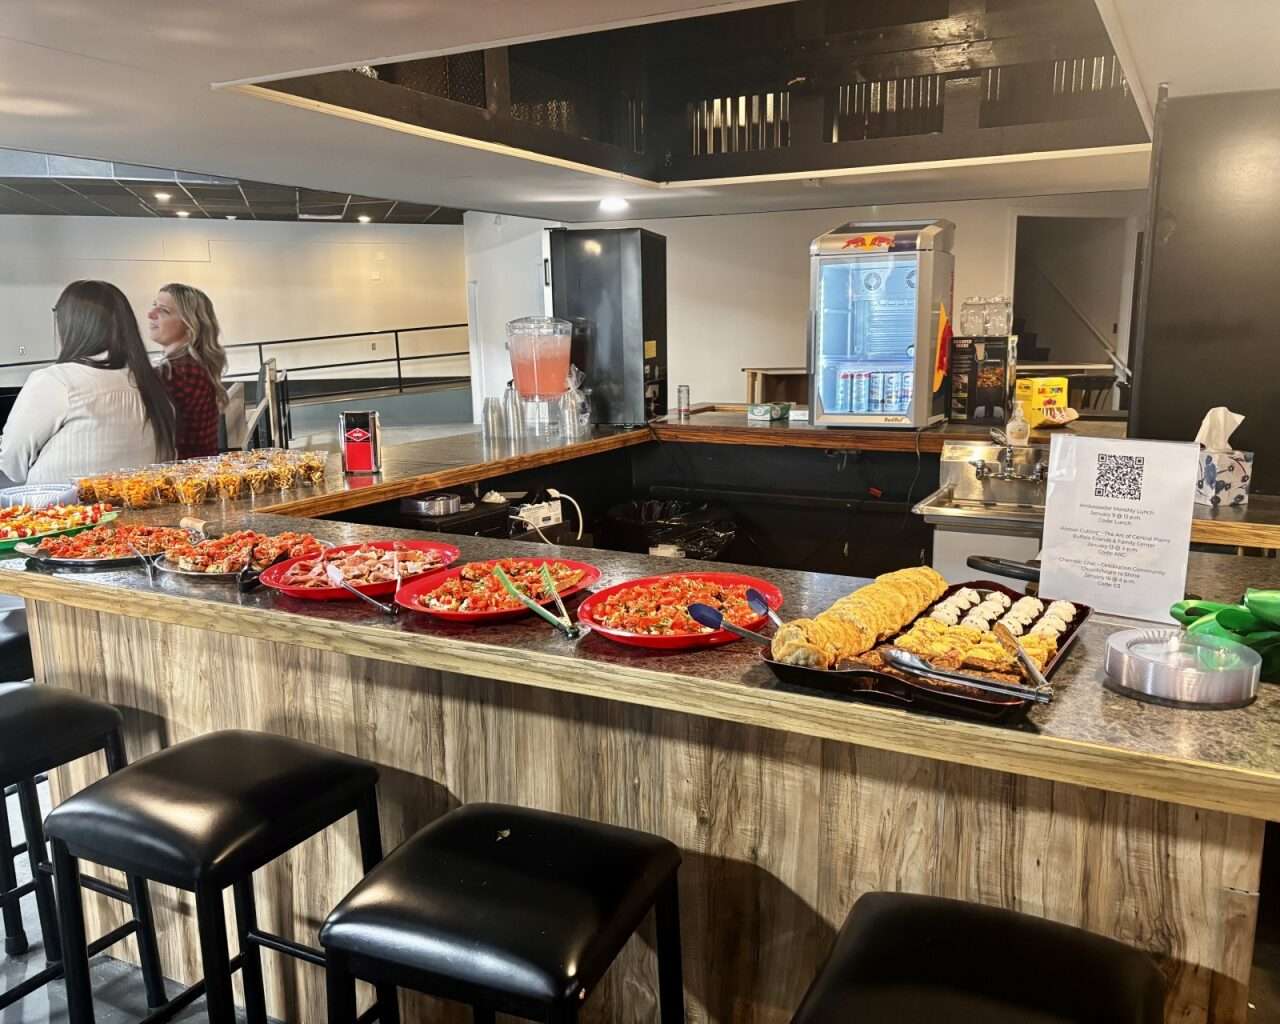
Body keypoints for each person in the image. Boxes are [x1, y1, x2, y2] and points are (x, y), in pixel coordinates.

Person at [0, 280, 176, 485]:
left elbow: (12, 463)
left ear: (71, 323)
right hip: (138, 504)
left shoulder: (57, 381)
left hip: (64, 505)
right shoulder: (152, 383)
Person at [148, 282, 227, 459]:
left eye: (164, 310)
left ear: (190, 323)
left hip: (183, 472)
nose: (151, 314)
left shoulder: (180, 372)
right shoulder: (193, 364)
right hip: (199, 468)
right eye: (154, 306)